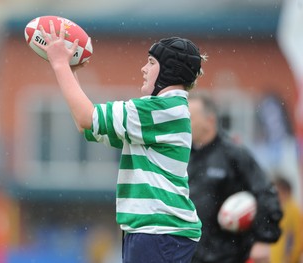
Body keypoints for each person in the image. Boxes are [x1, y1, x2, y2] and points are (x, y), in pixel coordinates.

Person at [34, 20, 205, 262]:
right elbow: (87, 126)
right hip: (154, 231)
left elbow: (86, 117)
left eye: (151, 62)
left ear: (169, 71)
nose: (143, 69)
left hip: (158, 231)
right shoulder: (163, 111)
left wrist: (60, 63)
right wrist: (71, 70)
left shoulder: (160, 109)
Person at [187, 91, 283, 263]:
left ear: (210, 121)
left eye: (190, 118)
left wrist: (263, 238)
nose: (184, 124)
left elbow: (266, 193)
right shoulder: (184, 156)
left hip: (228, 256)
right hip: (191, 255)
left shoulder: (235, 155)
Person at [270, 175, 303, 263]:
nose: (274, 195)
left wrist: (290, 259)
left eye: (277, 192)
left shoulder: (293, 211)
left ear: (286, 192)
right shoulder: (281, 210)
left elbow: (296, 239)